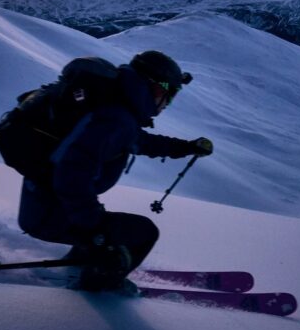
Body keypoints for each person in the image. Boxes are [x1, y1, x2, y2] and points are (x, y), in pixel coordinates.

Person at [17, 50, 213, 293]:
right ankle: (101, 288)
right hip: (50, 213)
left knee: (103, 223)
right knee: (143, 233)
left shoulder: (115, 109)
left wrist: (186, 147)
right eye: (168, 95)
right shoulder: (116, 119)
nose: (166, 104)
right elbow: (71, 173)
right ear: (154, 88)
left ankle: (79, 264)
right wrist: (92, 229)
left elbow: (140, 142)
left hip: (45, 205)